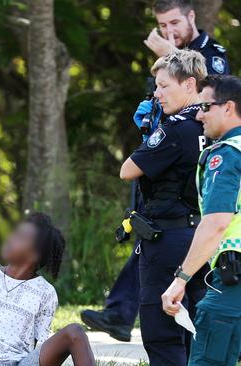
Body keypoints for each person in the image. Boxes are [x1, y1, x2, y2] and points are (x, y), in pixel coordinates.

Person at [81, 0, 231, 342]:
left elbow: (218, 91)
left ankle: (120, 311)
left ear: (191, 17)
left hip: (186, 210)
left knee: (164, 331)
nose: (169, 32)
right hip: (171, 195)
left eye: (175, 23)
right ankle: (119, 311)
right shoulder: (177, 107)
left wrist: (168, 54)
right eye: (162, 26)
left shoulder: (210, 54)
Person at [117, 49, 209, 365]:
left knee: (162, 334)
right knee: (193, 333)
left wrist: (152, 131)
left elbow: (127, 170)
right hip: (204, 238)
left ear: (189, 85)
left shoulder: (176, 127)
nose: (157, 94)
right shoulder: (213, 126)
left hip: (168, 242)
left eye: (163, 86)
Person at [162, 75, 241, 365]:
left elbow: (216, 223)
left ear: (228, 108)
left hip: (233, 284)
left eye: (206, 106)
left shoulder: (228, 154)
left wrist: (180, 280)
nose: (199, 114)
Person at [0, 213, 96, 366]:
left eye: (20, 237)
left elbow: (37, 350)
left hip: (19, 363)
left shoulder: (46, 293)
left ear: (34, 254)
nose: (10, 238)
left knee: (75, 332)